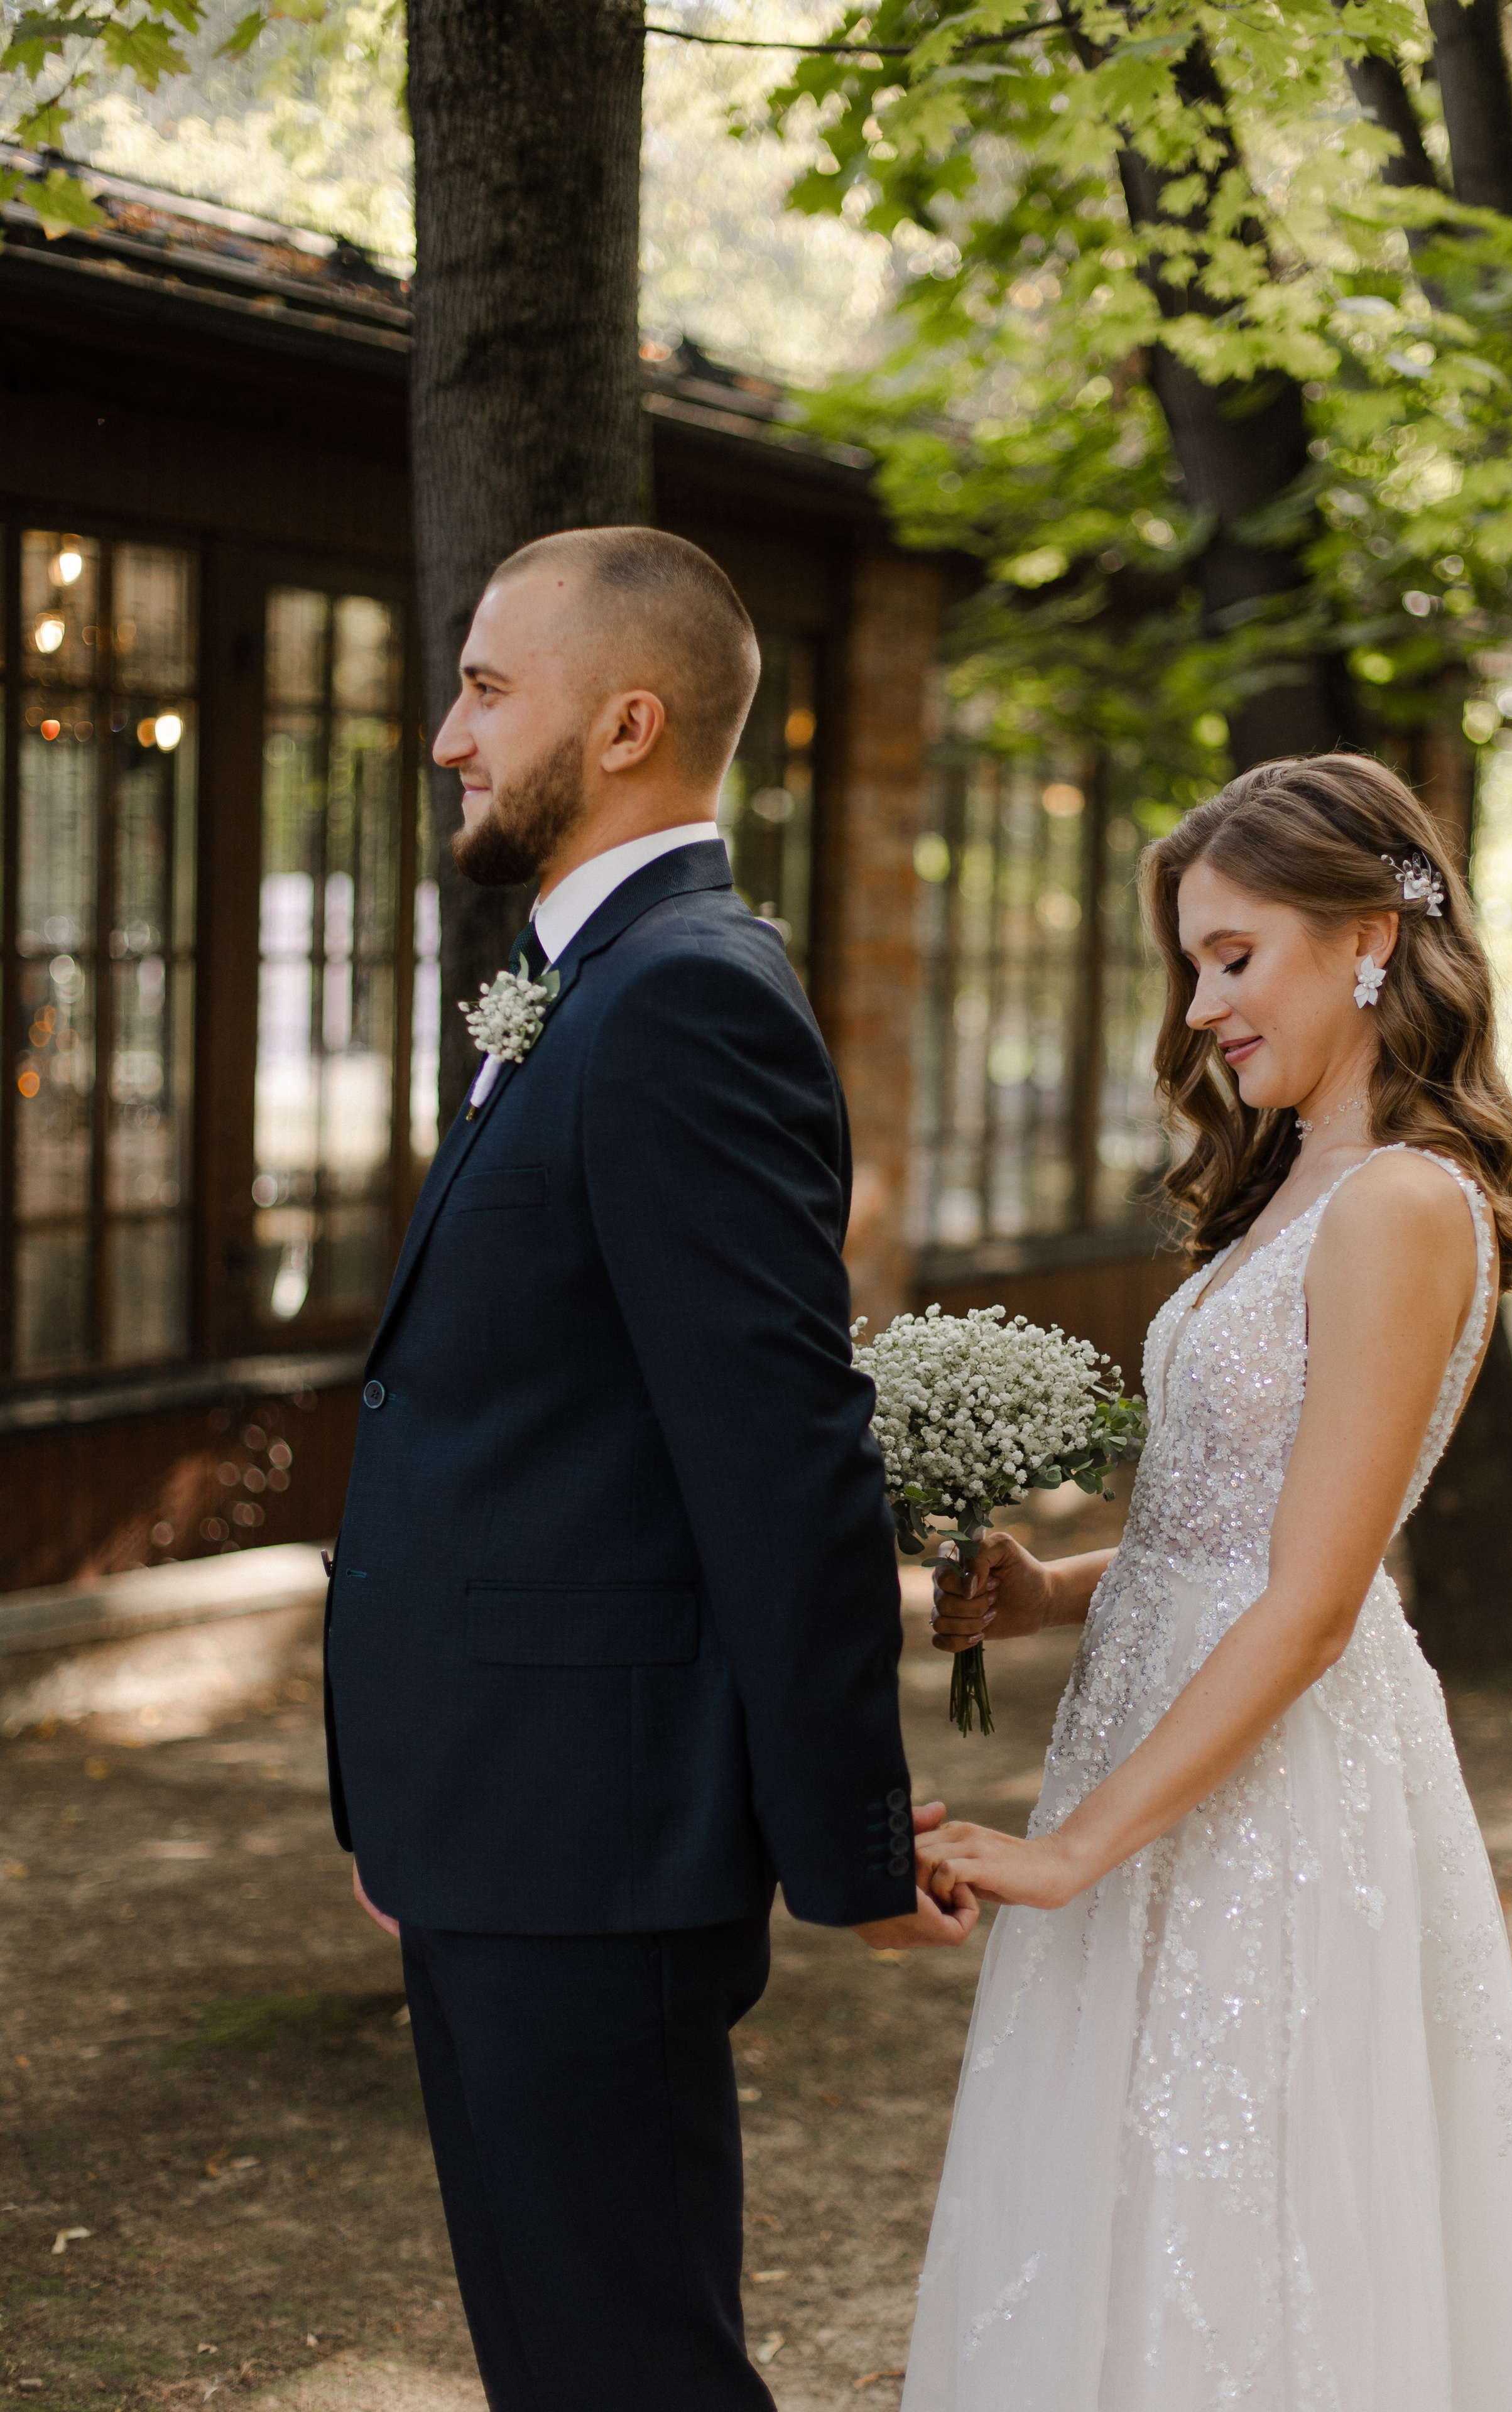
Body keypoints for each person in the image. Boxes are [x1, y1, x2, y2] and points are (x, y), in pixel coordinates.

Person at [323, 526, 976, 2412]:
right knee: (561, 2353)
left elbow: (780, 1453)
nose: (449, 735)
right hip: (500, 1819)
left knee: (623, 2366)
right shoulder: (586, 985)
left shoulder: (686, 995)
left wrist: (844, 1843)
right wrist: (407, 1798)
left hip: (589, 1842)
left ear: (624, 722)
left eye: (485, 687)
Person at [906, 753, 1512, 2411]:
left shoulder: (1403, 1206)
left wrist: (1072, 1848)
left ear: (1368, 941)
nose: (1204, 1004)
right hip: (1166, 1740)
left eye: (1235, 955)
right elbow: (1223, 1533)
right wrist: (1048, 1589)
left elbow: (1316, 1595)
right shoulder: (1288, 1187)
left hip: (1276, 1798)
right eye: (1191, 965)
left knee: (1251, 2210)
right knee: (1125, 2213)